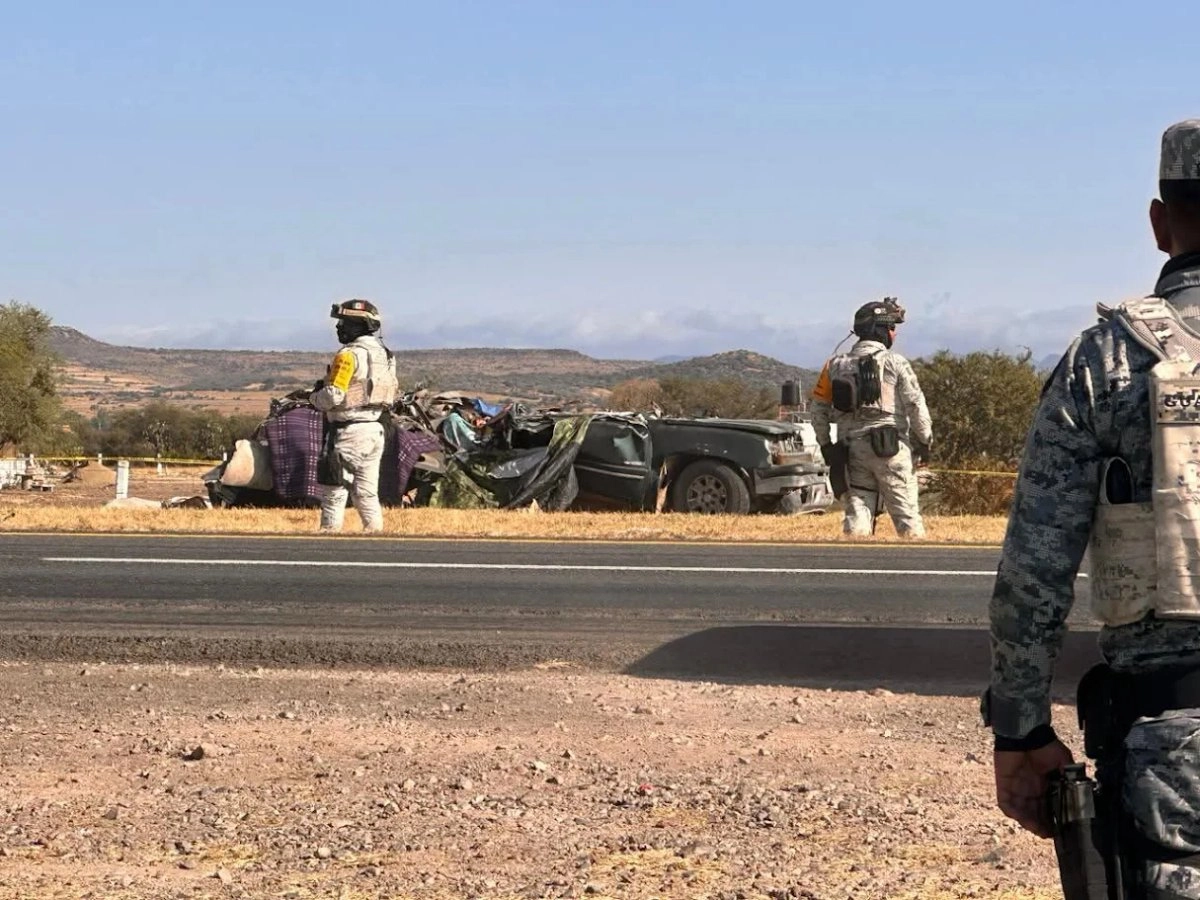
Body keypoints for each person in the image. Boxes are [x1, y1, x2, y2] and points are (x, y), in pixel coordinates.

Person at [985, 119, 1200, 898]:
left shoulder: (1108, 360)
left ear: (1160, 222)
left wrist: (1021, 728)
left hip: (1176, 750)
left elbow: (1035, 572)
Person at [810, 297, 933, 538]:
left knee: (857, 514)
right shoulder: (896, 362)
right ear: (880, 330)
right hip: (891, 449)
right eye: (892, 327)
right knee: (907, 518)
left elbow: (818, 410)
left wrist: (826, 445)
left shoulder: (833, 365)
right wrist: (925, 441)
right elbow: (916, 405)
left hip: (851, 451)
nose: (894, 333)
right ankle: (916, 559)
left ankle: (855, 560)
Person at [309, 299, 399, 532]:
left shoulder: (348, 355)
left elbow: (334, 395)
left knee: (334, 488)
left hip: (349, 430)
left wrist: (313, 398)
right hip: (375, 429)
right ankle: (375, 534)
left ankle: (329, 535)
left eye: (344, 323)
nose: (338, 327)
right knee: (366, 492)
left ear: (359, 325)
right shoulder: (386, 355)